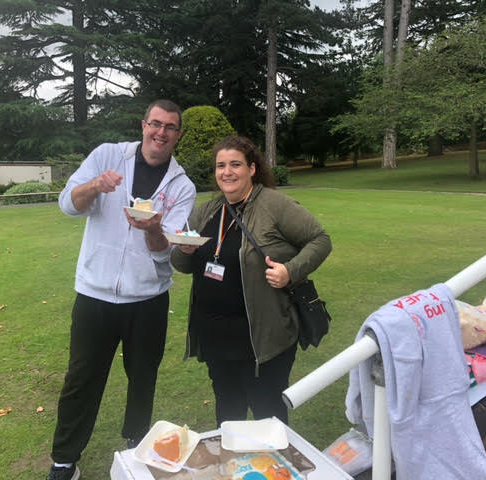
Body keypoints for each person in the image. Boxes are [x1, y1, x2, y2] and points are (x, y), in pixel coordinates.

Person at [47, 100, 196, 480]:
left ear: (178, 135)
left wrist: (153, 230)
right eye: (156, 124)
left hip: (147, 299)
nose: (161, 132)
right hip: (94, 294)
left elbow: (166, 253)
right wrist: (95, 185)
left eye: (170, 127)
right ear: (144, 125)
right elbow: (68, 204)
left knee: (143, 378)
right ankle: (64, 460)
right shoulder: (108, 155)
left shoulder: (182, 186)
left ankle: (135, 447)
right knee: (81, 379)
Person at [170, 135, 332, 427]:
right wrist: (184, 250)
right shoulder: (207, 212)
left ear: (252, 168)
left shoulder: (274, 205)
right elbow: (181, 264)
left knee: (267, 418)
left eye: (235, 164)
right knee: (228, 416)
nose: (227, 172)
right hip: (216, 338)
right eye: (221, 165)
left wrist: (290, 271)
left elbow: (320, 240)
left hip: (262, 340)